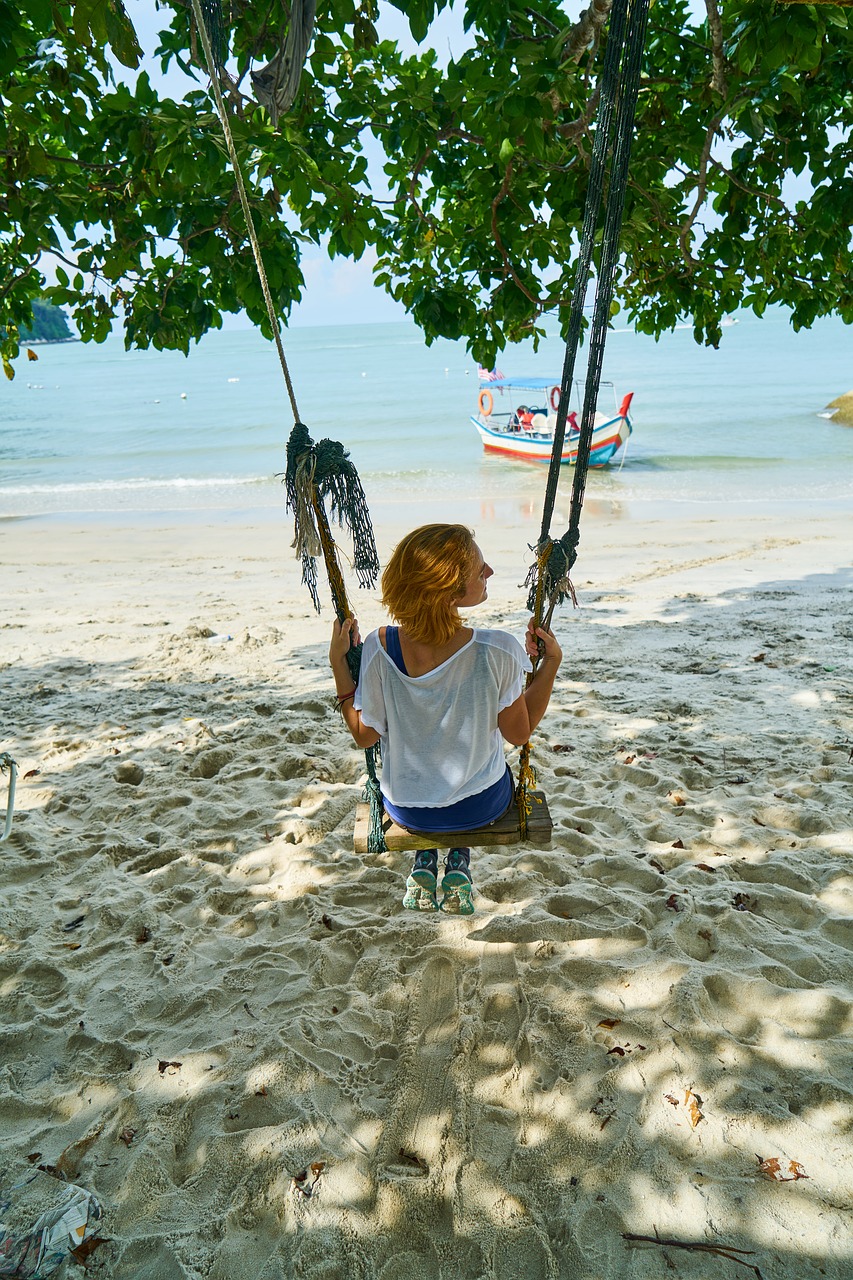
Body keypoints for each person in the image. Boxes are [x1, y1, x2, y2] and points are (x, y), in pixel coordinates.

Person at [329, 524, 562, 915]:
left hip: (406, 808)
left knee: (442, 777)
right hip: (480, 807)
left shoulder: (378, 645)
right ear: (452, 592)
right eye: (479, 569)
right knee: (475, 772)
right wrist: (549, 666)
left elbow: (365, 736)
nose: (489, 572)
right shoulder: (497, 649)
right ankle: (458, 859)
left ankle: (424, 860)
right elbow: (519, 734)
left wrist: (339, 665)